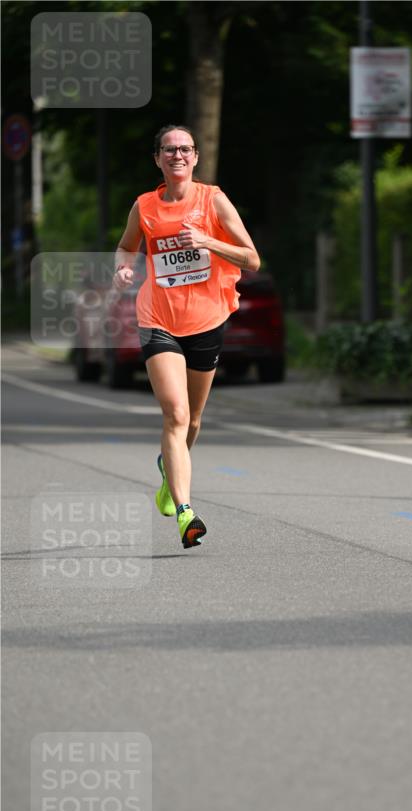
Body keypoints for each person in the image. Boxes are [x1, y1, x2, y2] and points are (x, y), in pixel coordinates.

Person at [113, 125, 260, 548]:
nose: (177, 155)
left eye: (185, 149)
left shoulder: (213, 200)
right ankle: (185, 512)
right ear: (158, 159)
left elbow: (251, 259)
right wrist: (122, 267)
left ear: (195, 157)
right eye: (169, 149)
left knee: (193, 420)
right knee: (176, 414)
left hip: (206, 321)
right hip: (158, 318)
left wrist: (207, 241)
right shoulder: (144, 206)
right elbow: (126, 246)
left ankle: (168, 471)